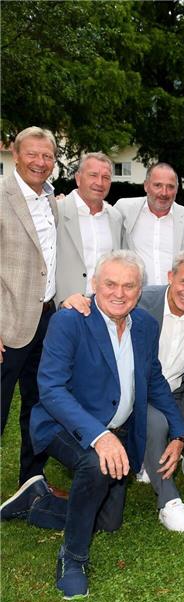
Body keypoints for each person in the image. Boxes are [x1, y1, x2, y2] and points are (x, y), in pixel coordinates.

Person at [1, 251, 184, 599]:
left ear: (139, 289)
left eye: (129, 285)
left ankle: (36, 503)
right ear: (94, 285)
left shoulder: (144, 325)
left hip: (117, 429)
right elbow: (51, 390)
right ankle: (72, 558)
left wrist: (178, 432)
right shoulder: (70, 320)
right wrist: (99, 436)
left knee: (109, 521)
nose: (119, 293)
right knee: (96, 463)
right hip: (62, 424)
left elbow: (156, 381)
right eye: (110, 284)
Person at [58, 249, 184, 531]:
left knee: (178, 425)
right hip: (135, 391)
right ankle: (168, 501)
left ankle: (154, 458)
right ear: (170, 277)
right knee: (155, 423)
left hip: (178, 391)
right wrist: (69, 301)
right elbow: (100, 301)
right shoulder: (139, 301)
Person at [0, 126, 59, 485]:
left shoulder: (50, 199)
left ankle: (32, 480)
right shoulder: (2, 194)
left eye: (47, 156)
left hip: (46, 319)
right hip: (8, 322)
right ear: (16, 156)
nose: (40, 162)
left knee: (38, 406)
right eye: (33, 154)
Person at [55, 152, 123, 304]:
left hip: (105, 308)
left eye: (106, 177)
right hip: (66, 306)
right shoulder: (57, 211)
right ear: (78, 178)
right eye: (93, 175)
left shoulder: (115, 217)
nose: (100, 182)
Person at [117, 163, 184, 286]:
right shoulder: (124, 209)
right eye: (158, 185)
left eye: (170, 187)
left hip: (173, 298)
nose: (164, 193)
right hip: (134, 295)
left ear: (177, 189)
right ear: (146, 186)